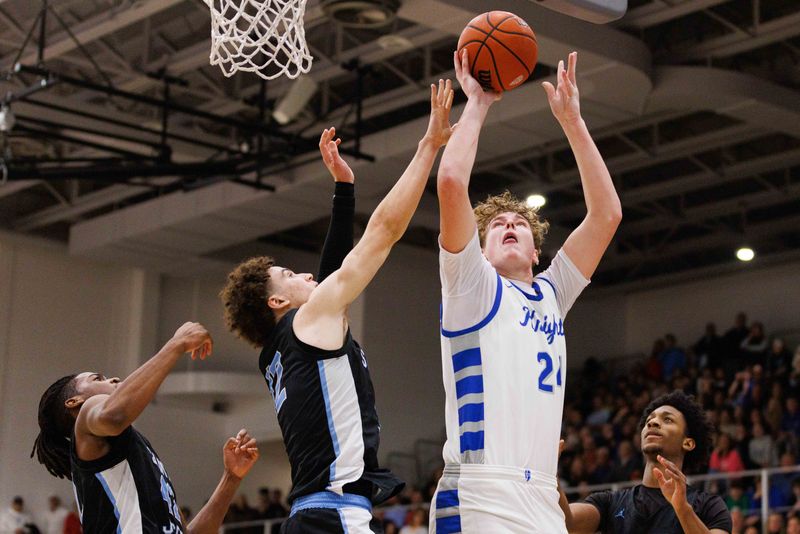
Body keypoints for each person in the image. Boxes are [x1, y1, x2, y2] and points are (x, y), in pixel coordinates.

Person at [220, 81, 455, 533]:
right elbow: (383, 232)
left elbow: (330, 278)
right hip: (334, 517)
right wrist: (429, 145)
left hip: (312, 517)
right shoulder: (305, 323)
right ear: (277, 301)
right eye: (290, 276)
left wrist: (344, 189)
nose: (306, 276)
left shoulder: (279, 352)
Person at [430, 49, 621, 533]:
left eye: (519, 223)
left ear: (537, 252)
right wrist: (477, 101)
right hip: (480, 490)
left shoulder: (552, 294)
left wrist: (574, 123)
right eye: (497, 225)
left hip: (542, 495)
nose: (510, 225)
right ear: (481, 247)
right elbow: (451, 180)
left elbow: (606, 216)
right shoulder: (470, 283)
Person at [31, 322, 260, 533]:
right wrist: (176, 344)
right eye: (97, 378)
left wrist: (231, 479)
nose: (113, 379)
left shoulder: (137, 454)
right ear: (74, 402)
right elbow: (114, 415)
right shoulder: (86, 421)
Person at [558, 391, 731, 534]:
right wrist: (549, 471)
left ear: (688, 442)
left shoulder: (710, 506)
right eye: (649, 420)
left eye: (667, 419)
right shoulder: (610, 501)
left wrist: (682, 509)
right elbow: (567, 523)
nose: (653, 422)